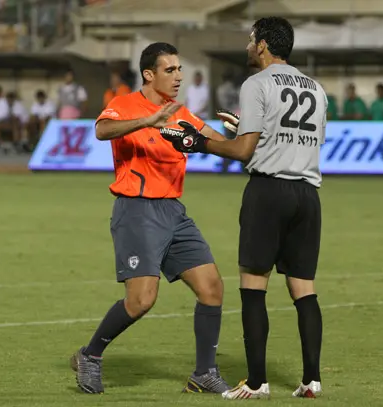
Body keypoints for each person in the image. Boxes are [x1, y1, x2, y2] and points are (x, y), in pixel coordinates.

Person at [159, 17, 327, 399]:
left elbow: (243, 151)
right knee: (304, 289)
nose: (248, 46)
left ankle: (256, 383)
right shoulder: (316, 88)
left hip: (268, 192)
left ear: (264, 45)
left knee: (253, 288)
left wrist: (196, 142)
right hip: (307, 194)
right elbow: (299, 140)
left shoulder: (257, 83)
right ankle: (311, 380)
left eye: (252, 40)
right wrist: (247, 130)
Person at [70, 42, 231, 396]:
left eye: (179, 70)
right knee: (142, 300)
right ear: (149, 74)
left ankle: (204, 373)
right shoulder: (125, 105)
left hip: (174, 212)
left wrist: (243, 137)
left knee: (212, 289)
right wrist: (148, 120)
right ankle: (90, 355)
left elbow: (219, 143)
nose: (178, 77)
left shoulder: (181, 113)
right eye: (169, 70)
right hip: (137, 209)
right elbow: (101, 131)